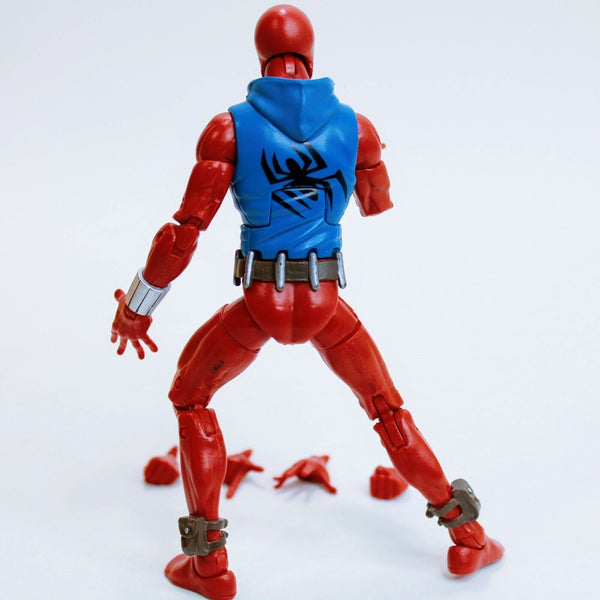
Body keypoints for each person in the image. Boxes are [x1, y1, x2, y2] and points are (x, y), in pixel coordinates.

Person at [111, 5, 503, 599]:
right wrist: (357, 161)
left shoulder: (228, 129)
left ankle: (209, 566)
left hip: (261, 299)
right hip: (324, 298)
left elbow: (184, 232)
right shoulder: (356, 127)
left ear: (260, 57)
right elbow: (376, 204)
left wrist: (138, 306)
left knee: (191, 399)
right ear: (311, 57)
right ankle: (468, 538)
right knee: (386, 411)